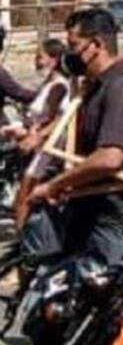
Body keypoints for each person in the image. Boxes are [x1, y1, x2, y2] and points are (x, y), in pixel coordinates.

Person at [29, 7, 123, 265]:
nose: (68, 55)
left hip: (118, 219)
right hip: (91, 210)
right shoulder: (95, 88)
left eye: (73, 45)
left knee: (107, 299)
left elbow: (110, 158)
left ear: (97, 44)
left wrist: (56, 184)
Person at [6, 38, 70, 231]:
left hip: (51, 145)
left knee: (27, 187)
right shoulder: (48, 84)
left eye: (40, 57)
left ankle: (22, 237)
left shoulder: (59, 86)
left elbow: (55, 118)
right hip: (41, 143)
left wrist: (36, 135)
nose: (36, 61)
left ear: (54, 59)